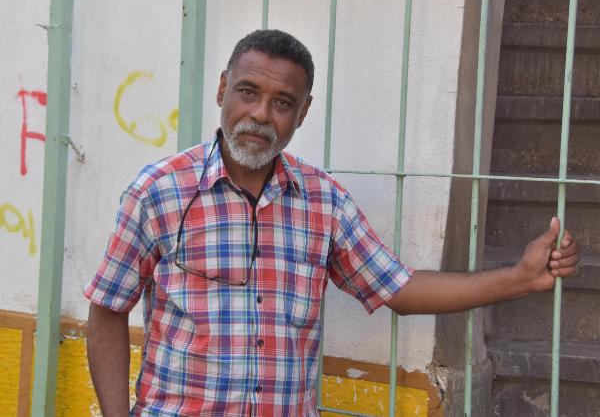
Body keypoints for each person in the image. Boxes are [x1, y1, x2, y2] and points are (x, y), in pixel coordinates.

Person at [85, 29, 579, 416]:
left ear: (303, 113)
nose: (260, 114)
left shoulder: (324, 203)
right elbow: (108, 309)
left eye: (282, 102)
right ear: (221, 89)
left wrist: (520, 278)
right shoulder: (159, 192)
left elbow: (400, 290)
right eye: (248, 92)